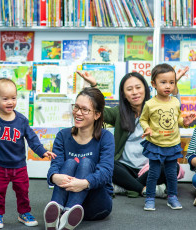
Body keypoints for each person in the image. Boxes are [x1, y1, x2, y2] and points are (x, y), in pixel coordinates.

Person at [77, 67, 188, 199]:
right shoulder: (119, 112)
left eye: (138, 87)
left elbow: (174, 107)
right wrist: (94, 86)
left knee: (171, 166)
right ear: (124, 94)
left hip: (149, 166)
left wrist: (174, 83)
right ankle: (143, 189)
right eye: (129, 89)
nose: (135, 92)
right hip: (124, 168)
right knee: (107, 164)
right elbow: (100, 111)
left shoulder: (156, 106)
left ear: (146, 89)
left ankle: (126, 188)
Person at [0, 78, 56, 229]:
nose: (10, 102)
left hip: (19, 166)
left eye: (13, 98)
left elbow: (32, 139)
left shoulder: (21, 120)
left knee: (23, 192)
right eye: (5, 99)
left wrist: (42, 151)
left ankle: (24, 213)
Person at [44, 87, 114, 230]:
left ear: (97, 115)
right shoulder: (63, 136)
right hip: (67, 195)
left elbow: (106, 172)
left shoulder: (106, 137)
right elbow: (55, 166)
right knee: (69, 163)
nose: (78, 113)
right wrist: (54, 177)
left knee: (86, 163)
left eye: (85, 109)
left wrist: (84, 183)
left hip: (96, 203)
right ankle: (58, 213)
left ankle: (67, 212)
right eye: (76, 107)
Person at [139, 64, 195, 211]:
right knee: (154, 173)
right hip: (155, 144)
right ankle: (150, 198)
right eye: (163, 82)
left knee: (171, 173)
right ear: (153, 84)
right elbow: (143, 119)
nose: (168, 86)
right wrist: (147, 128)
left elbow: (178, 120)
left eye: (172, 82)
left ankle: (172, 197)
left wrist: (186, 122)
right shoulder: (150, 104)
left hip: (172, 144)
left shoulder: (175, 102)